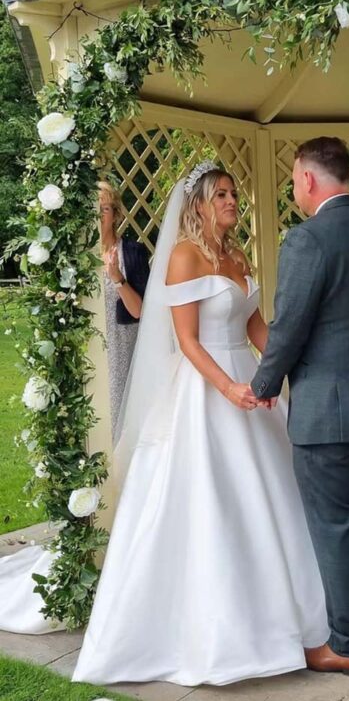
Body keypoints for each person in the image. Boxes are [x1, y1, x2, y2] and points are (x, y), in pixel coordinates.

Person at [72, 162, 328, 686]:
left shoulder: (236, 255)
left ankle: (288, 617)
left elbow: (257, 327)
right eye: (223, 195)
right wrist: (229, 388)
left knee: (270, 496)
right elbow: (187, 341)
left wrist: (279, 375)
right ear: (199, 204)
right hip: (205, 387)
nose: (233, 201)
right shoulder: (185, 257)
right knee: (211, 498)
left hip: (249, 385)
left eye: (235, 193)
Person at [249, 137, 349, 678]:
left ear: (309, 179)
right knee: (348, 507)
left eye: (294, 179)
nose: (294, 188)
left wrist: (265, 381)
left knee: (331, 520)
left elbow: (289, 324)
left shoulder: (309, 239)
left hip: (326, 409)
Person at [98, 181, 150, 440]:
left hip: (123, 354)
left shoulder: (133, 253)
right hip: (91, 354)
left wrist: (118, 278)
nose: (98, 216)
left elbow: (141, 311)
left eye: (104, 209)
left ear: (116, 214)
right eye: (94, 210)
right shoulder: (75, 258)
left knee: (123, 425)